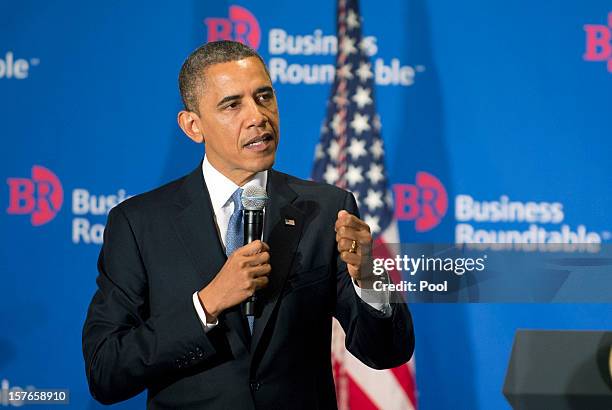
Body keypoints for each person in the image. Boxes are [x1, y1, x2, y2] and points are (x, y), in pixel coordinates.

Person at [82, 40, 414, 409]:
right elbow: (105, 371)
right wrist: (207, 305)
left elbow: (387, 352)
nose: (258, 116)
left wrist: (368, 276)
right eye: (232, 105)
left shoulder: (327, 210)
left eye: (264, 97)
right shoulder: (138, 224)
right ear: (193, 126)